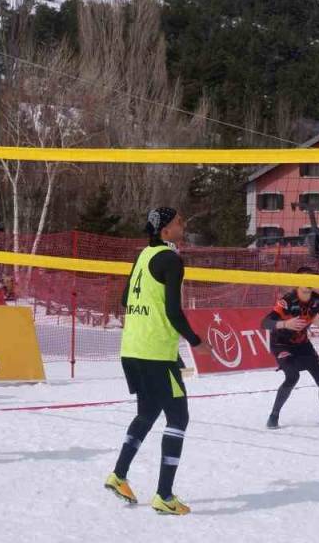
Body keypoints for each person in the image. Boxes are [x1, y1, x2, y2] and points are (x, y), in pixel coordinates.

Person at [105, 207, 209, 516]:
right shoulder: (171, 259)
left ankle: (118, 475)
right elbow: (173, 312)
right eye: (179, 221)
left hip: (132, 348)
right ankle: (164, 495)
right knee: (178, 418)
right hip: (155, 353)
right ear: (165, 231)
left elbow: (126, 300)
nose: (184, 223)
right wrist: (196, 342)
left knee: (148, 413)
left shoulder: (144, 256)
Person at [262, 267, 319, 429]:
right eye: (304, 279)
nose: (308, 282)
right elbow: (265, 322)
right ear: (297, 283)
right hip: (281, 343)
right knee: (292, 376)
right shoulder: (287, 301)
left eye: (311, 278)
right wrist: (285, 324)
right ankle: (273, 416)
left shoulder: (318, 300)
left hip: (303, 344)